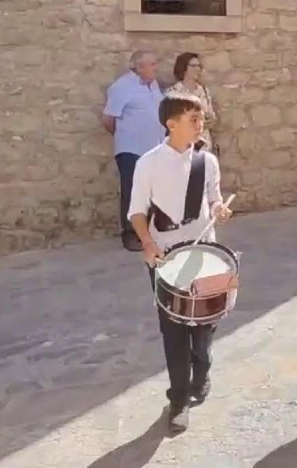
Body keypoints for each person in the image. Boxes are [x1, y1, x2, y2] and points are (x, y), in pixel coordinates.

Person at [128, 93, 233, 432]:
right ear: (171, 123)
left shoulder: (208, 162)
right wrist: (147, 243)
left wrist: (220, 210)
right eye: (193, 118)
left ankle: (202, 368)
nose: (200, 125)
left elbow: (215, 200)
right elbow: (137, 213)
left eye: (201, 118)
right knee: (173, 328)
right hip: (166, 254)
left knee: (204, 325)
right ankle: (178, 399)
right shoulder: (148, 163)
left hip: (205, 252)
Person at [102, 50, 165, 252]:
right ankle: (130, 234)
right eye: (152, 64)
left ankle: (151, 231)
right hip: (131, 149)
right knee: (132, 192)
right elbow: (108, 119)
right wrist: (124, 137)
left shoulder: (153, 85)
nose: (155, 68)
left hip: (153, 148)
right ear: (139, 67)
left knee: (153, 191)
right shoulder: (122, 87)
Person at [168, 52, 218, 152]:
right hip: (182, 146)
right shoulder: (173, 93)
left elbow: (211, 117)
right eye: (193, 66)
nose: (197, 69)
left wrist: (208, 121)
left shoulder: (204, 91)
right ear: (184, 67)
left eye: (199, 66)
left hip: (203, 145)